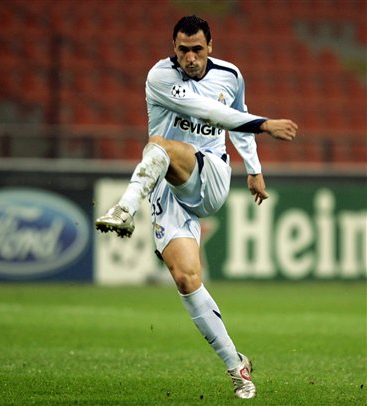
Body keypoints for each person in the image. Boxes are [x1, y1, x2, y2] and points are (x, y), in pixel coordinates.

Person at [95, 15, 298, 400]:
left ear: (210, 47)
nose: (190, 58)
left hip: (210, 176)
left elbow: (233, 116)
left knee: (159, 146)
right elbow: (208, 112)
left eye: (197, 50)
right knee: (187, 279)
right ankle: (237, 365)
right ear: (174, 48)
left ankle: (124, 209)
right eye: (183, 50)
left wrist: (254, 168)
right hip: (167, 188)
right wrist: (264, 124)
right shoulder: (160, 77)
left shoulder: (230, 75)